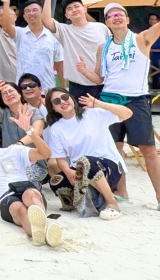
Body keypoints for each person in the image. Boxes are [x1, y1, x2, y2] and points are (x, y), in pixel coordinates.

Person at [76, 0, 160, 213]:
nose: (116, 17)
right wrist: (84, 72)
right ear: (107, 22)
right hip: (109, 99)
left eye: (120, 14)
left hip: (136, 99)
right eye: (111, 15)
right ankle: (122, 191)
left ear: (127, 19)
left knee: (148, 149)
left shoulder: (141, 38)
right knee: (114, 148)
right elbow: (100, 79)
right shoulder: (103, 47)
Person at [43, 88, 129, 219]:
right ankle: (88, 197)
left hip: (107, 165)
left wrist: (98, 104)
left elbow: (127, 114)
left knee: (86, 163)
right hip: (79, 170)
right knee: (57, 181)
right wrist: (68, 171)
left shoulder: (92, 113)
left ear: (71, 98)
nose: (62, 102)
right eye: (56, 101)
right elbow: (60, 157)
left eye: (65, 97)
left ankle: (111, 202)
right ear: (53, 108)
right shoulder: (56, 128)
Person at [39, 0, 109, 101]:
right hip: (78, 86)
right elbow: (46, 20)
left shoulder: (101, 27)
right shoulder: (64, 30)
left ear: (84, 9)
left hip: (104, 84)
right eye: (69, 9)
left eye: (77, 6)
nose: (74, 10)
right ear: (66, 15)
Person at [0, 0, 64, 92]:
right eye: (27, 11)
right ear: (24, 17)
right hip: (24, 89)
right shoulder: (20, 33)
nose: (31, 13)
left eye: (35, 10)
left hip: (47, 88)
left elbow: (59, 64)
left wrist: (64, 87)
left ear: (42, 13)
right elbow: (6, 26)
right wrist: (6, 3)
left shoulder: (53, 36)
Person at [0, 80, 49, 183]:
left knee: (16, 179)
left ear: (19, 94)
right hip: (10, 162)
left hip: (34, 163)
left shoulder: (34, 112)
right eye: (4, 93)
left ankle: (34, 187)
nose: (8, 95)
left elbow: (37, 132)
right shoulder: (4, 113)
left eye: (11, 91)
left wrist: (19, 144)